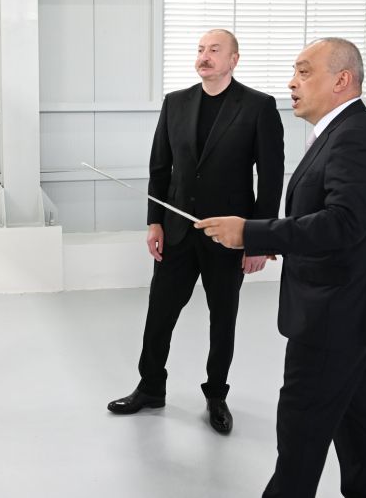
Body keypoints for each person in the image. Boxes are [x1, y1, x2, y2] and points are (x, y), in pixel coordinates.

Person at [196, 37, 366, 496]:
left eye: (304, 72)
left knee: (299, 441)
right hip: (343, 313)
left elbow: (343, 224)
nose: (291, 82)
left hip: (331, 317)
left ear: (342, 81)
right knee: (357, 429)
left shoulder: (356, 138)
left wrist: (252, 233)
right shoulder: (339, 133)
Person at [107, 29, 285, 435]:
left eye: (214, 50)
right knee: (159, 313)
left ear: (234, 59)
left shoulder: (258, 106)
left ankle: (216, 395)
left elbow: (271, 177)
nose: (204, 56)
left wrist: (259, 239)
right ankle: (150, 387)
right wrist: (154, 221)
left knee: (222, 320)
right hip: (177, 232)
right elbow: (160, 168)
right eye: (201, 49)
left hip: (229, 235)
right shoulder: (175, 103)